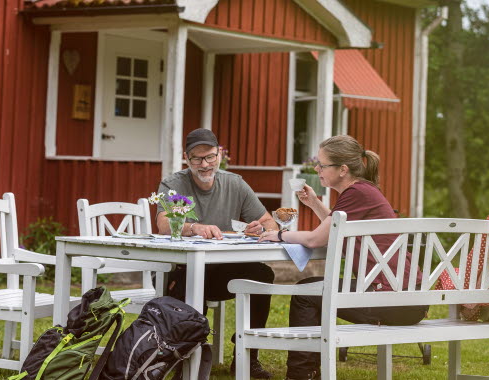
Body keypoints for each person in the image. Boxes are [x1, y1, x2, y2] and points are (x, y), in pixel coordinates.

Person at [259, 135, 428, 380]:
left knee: (306, 293)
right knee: (310, 289)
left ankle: (301, 374)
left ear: (343, 169)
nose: (317, 169)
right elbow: (337, 228)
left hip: (392, 300)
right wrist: (315, 203)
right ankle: (305, 372)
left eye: (322, 165)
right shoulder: (363, 191)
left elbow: (316, 239)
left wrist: (280, 235)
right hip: (408, 299)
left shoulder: (357, 193)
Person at [156, 128, 279, 379]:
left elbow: (270, 223)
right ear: (186, 158)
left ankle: (248, 356)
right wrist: (194, 228)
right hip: (180, 270)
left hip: (221, 271)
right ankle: (188, 358)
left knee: (262, 274)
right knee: (191, 282)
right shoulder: (173, 183)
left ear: (219, 155)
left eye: (210, 157)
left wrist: (259, 227)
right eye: (197, 159)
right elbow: (163, 224)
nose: (205, 164)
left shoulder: (235, 183)